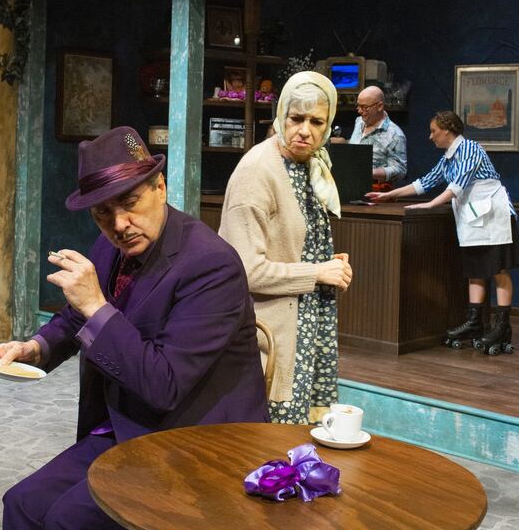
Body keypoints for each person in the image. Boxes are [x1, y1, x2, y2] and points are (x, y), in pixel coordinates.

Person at [0, 126, 268, 530]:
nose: (119, 225)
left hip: (200, 444)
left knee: (69, 524)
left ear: (160, 187)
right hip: (131, 430)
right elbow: (73, 317)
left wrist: (98, 306)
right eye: (102, 213)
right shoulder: (110, 245)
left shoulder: (211, 265)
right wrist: (37, 347)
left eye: (130, 204)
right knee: (22, 505)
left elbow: (165, 383)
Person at [219, 71, 353, 425]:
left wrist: (331, 265)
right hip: (268, 331)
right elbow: (243, 268)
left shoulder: (311, 166)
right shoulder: (258, 171)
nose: (305, 130)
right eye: (296, 119)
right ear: (281, 115)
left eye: (317, 121)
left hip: (305, 324)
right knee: (267, 444)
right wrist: (317, 272)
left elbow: (296, 244)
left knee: (301, 441)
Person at [367, 111, 518, 354]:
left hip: (493, 215)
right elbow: (425, 182)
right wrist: (389, 194)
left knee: (498, 269)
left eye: (433, 131)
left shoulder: (470, 149)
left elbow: (457, 184)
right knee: (475, 270)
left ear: (447, 129)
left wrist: (430, 204)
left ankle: (502, 327)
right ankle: (475, 322)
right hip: (472, 217)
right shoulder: (448, 157)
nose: (430, 137)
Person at [333, 85, 407, 188]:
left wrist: (369, 172)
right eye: (358, 106)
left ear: (379, 106)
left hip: (374, 190)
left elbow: (400, 170)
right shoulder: (359, 121)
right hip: (348, 184)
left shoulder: (395, 135)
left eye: (364, 107)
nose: (359, 111)